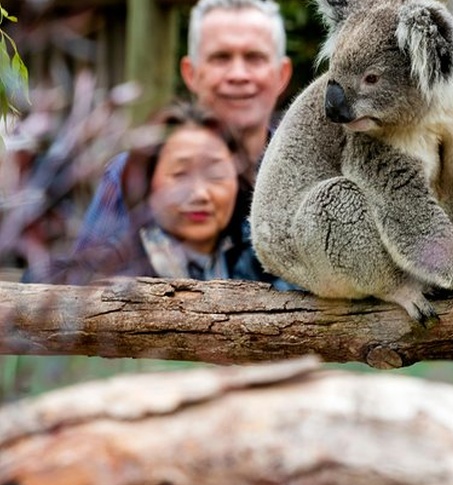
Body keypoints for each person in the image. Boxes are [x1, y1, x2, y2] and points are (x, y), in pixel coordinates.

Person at [71, 0, 292, 285]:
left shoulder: (307, 173)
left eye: (255, 58)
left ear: (281, 75)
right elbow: (80, 291)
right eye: (221, 57)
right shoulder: (129, 173)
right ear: (191, 73)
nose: (238, 75)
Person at [47, 102, 251, 283]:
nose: (199, 194)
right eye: (180, 175)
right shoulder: (105, 274)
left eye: (215, 174)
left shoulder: (265, 267)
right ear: (148, 180)